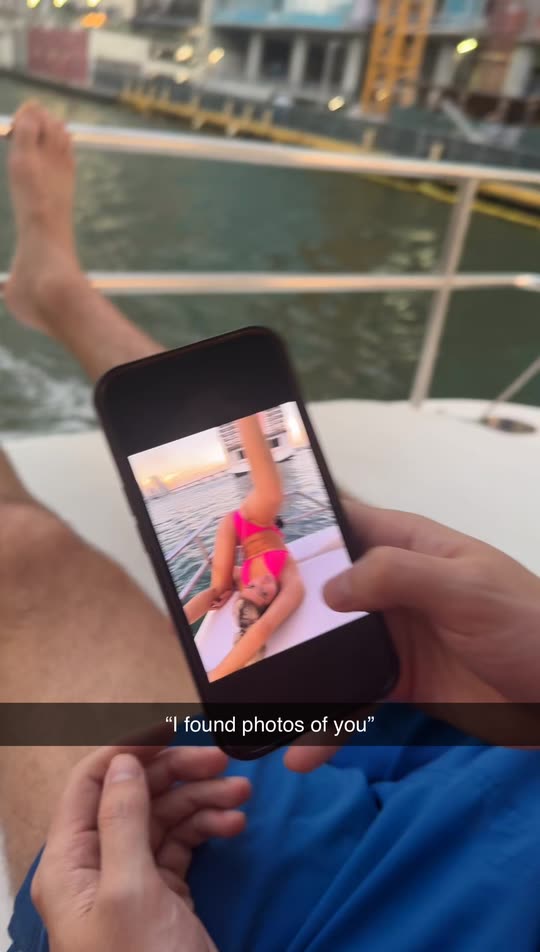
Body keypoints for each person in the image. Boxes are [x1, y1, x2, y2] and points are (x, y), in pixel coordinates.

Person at [3, 103, 540, 952]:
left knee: (19, 551)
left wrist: (242, 618)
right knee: (341, 531)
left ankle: (62, 293)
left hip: (384, 897)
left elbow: (250, 602)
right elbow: (240, 582)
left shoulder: (265, 595)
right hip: (506, 735)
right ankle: (62, 294)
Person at [184, 414, 305, 679]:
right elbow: (263, 628)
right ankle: (243, 412)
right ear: (273, 601)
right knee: (271, 496)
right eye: (265, 592)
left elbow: (224, 586)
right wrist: (216, 677)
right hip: (258, 524)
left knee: (217, 592)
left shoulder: (244, 585)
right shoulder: (291, 582)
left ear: (244, 590)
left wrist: (228, 581)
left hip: (234, 527)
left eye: (251, 588)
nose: (260, 582)